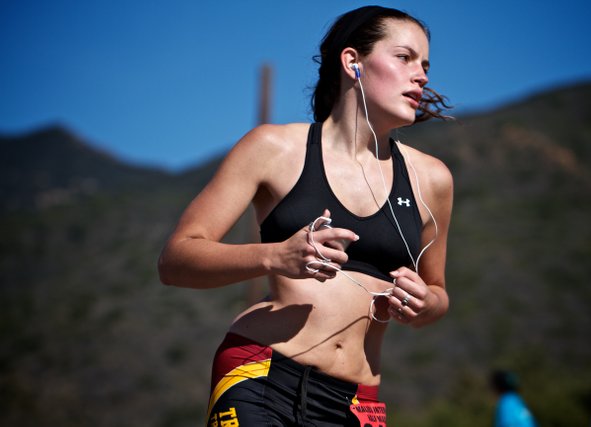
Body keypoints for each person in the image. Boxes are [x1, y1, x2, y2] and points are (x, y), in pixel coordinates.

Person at [158, 5, 453, 426]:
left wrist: (426, 304)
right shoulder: (274, 148)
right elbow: (175, 260)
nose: (421, 75)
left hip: (356, 403)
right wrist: (275, 257)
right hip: (259, 375)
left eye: (425, 64)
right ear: (353, 62)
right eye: (404, 58)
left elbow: (438, 290)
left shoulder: (432, 179)